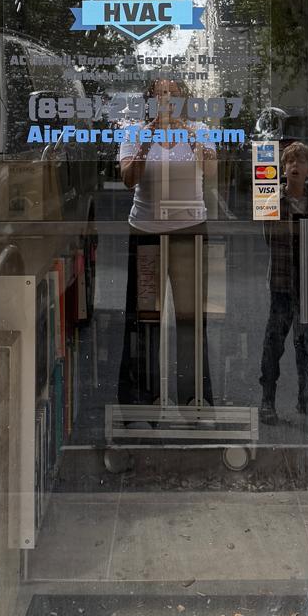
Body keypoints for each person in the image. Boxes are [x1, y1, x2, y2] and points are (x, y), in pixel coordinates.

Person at [117, 77, 214, 409]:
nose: (166, 100)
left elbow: (215, 172)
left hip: (190, 232)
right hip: (146, 233)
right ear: (150, 101)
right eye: (159, 94)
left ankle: (194, 400)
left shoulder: (198, 128)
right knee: (144, 319)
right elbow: (128, 179)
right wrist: (147, 141)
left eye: (173, 94)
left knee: (191, 319)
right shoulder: (134, 131)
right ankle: (141, 402)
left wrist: (189, 136)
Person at [259, 140, 308, 424]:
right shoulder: (273, 201)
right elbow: (268, 237)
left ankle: (307, 399)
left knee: (306, 346)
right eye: (290, 161)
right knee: (274, 344)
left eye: (300, 161)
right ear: (283, 169)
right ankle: (267, 399)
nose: (295, 165)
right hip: (282, 282)